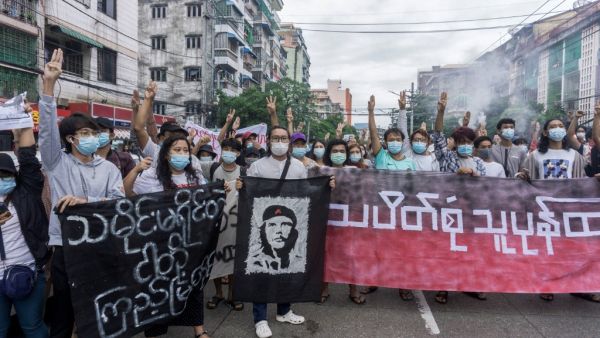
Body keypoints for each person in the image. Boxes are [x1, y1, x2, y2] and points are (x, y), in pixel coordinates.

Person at [40, 49, 125, 338]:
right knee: (63, 312)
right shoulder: (56, 162)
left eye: (93, 131)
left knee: (100, 310)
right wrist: (49, 86)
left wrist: (85, 203)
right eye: (85, 132)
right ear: (70, 139)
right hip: (66, 247)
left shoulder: (110, 169)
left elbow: (119, 204)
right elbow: (47, 133)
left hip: (101, 244)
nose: (92, 137)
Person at [236, 126, 335, 338]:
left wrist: (326, 186)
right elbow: (249, 192)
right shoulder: (258, 166)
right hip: (263, 228)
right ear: (268, 140)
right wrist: (240, 186)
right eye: (275, 138)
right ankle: (260, 319)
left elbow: (307, 191)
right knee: (261, 272)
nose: (279, 142)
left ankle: (284, 310)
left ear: (289, 141)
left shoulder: (298, 166)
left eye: (283, 138)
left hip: (291, 225)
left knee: (287, 268)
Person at [123, 135, 209, 337]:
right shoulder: (152, 176)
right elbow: (127, 194)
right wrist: (136, 170)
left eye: (185, 150)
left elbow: (207, 198)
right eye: (176, 150)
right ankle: (156, 331)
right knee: (158, 287)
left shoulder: (195, 176)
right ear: (166, 154)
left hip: (190, 242)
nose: (182, 154)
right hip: (159, 244)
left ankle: (199, 330)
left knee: (193, 285)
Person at [517, 118, 595, 303]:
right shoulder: (535, 155)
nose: (557, 130)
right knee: (547, 250)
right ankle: (547, 285)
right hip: (545, 210)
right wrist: (522, 176)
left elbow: (581, 180)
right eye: (552, 127)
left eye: (560, 126)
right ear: (545, 132)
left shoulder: (574, 156)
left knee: (575, 250)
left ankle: (578, 286)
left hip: (569, 210)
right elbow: (523, 176)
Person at [0, 121, 49, 338]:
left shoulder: (26, 192)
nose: (2, 180)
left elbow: (28, 159)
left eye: (6, 175)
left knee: (32, 327)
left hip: (28, 272)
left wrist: (24, 122)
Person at [206, 138, 245, 312]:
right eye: (225, 148)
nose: (229, 152)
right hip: (216, 221)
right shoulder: (213, 168)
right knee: (217, 257)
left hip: (236, 222)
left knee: (233, 259)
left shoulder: (244, 171)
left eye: (233, 150)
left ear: (238, 153)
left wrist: (243, 187)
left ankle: (232, 295)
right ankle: (218, 293)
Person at [432, 93, 486, 177]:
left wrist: (473, 174)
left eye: (468, 142)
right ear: (456, 144)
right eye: (462, 142)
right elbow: (438, 137)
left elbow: (483, 182)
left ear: (472, 144)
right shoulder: (448, 158)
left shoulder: (478, 162)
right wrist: (441, 112)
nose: (465, 145)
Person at [367, 95, 416, 171]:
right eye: (391, 140)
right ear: (386, 143)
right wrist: (371, 112)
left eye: (398, 139)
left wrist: (402, 109)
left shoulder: (410, 163)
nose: (395, 142)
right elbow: (374, 135)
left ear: (402, 142)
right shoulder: (381, 157)